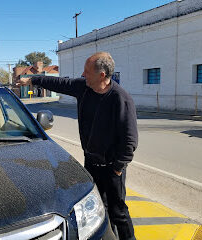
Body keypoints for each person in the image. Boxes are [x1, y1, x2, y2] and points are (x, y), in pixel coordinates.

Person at [16, 52, 138, 240]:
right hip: (91, 163)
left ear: (102, 75)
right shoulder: (84, 88)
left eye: (87, 71)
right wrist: (33, 80)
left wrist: (118, 169)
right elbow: (59, 84)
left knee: (118, 212)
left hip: (112, 168)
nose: (83, 75)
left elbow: (130, 140)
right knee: (98, 208)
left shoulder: (121, 99)